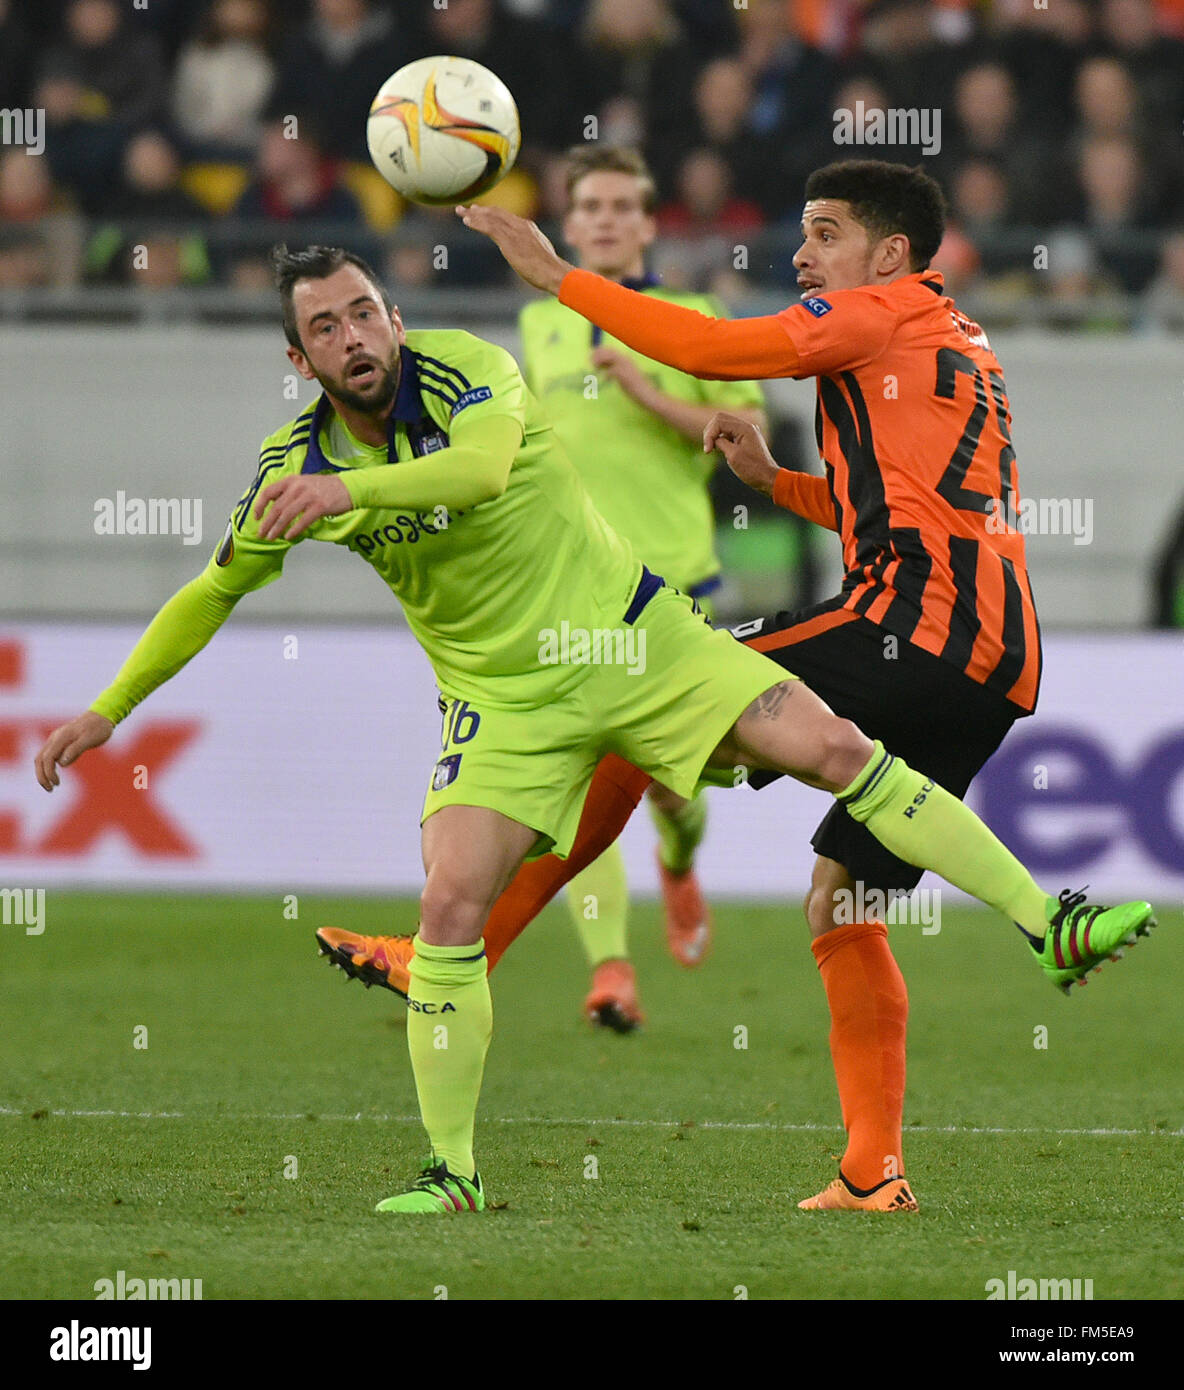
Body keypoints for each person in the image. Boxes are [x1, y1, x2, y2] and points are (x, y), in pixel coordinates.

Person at [36, 236, 1153, 1219]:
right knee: (447, 902)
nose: (352, 335)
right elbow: (211, 592)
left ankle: (1043, 919)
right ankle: (452, 1173)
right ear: (301, 362)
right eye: (323, 326)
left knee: (836, 750)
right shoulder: (292, 467)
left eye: (364, 309)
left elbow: (475, 474)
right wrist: (105, 709)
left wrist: (353, 499)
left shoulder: (470, 369)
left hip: (633, 642)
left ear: (395, 316)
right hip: (505, 702)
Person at [327, 158, 1164, 1213]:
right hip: (992, 657)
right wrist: (775, 485)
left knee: (633, 698)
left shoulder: (870, 315)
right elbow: (903, 510)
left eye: (822, 232)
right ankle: (874, 1170)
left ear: (888, 254)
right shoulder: (952, 339)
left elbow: (711, 347)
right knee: (840, 900)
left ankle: (454, 952)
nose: (800, 253)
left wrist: (553, 272)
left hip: (906, 622)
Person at [519, 144, 767, 1030]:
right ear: (570, 222)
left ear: (650, 222)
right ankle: (612, 971)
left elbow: (748, 437)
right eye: (590, 206)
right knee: (585, 778)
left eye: (625, 205)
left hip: (674, 583)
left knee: (669, 788)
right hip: (571, 589)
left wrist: (644, 387)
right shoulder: (538, 323)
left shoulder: (695, 314)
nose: (608, 219)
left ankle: (677, 854)